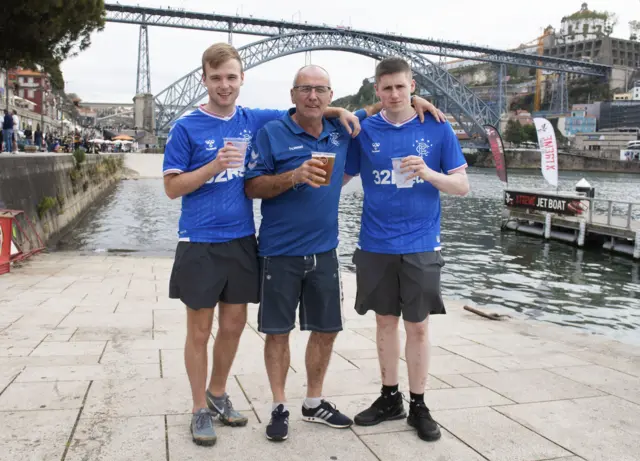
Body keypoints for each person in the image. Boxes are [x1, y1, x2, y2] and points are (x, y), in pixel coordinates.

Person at [162, 43, 369, 448]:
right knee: (200, 330)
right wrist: (214, 166)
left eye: (232, 77)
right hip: (199, 240)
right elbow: (171, 188)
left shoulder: (251, 118)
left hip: (241, 240)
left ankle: (217, 394)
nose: (224, 85)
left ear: (241, 80)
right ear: (204, 80)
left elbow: (305, 110)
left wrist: (339, 110)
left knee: (235, 327)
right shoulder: (186, 127)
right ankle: (196, 409)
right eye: (216, 78)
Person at [244, 64, 446, 443]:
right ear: (292, 95)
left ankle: (314, 401)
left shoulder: (343, 130)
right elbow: (252, 186)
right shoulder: (271, 133)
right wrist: (293, 176)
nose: (313, 96)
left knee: (326, 330)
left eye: (321, 90)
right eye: (305, 89)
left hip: (325, 251)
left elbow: (384, 106)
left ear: (331, 96)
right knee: (277, 332)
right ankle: (278, 406)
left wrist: (416, 99)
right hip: (279, 251)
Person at [344, 57, 469, 442]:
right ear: (377, 92)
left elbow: (461, 186)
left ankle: (419, 404)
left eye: (401, 86)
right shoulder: (363, 130)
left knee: (418, 325)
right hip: (376, 243)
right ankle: (388, 397)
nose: (395, 94)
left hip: (421, 243)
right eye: (387, 88)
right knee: (384, 322)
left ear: (412, 86)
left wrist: (428, 173)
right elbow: (341, 176)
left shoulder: (436, 127)